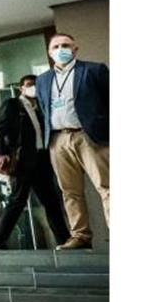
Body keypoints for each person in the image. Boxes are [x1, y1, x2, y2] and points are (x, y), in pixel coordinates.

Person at [34, 34, 110, 250]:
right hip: (58, 141)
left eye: (66, 45)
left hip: (89, 137)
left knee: (107, 187)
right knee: (70, 192)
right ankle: (80, 236)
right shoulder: (43, 80)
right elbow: (44, 108)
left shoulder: (94, 70)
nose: (61, 49)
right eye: (56, 46)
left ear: (75, 49)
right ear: (50, 53)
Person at [0, 75, 71, 250]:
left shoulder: (40, 108)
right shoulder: (13, 104)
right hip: (23, 161)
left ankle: (64, 241)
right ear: (22, 89)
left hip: (42, 160)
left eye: (35, 85)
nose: (33, 87)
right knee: (17, 201)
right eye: (29, 85)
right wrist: (0, 153)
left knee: (51, 201)